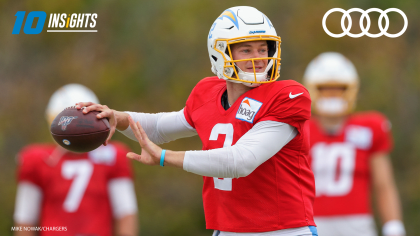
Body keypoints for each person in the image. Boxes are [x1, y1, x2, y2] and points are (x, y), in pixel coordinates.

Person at [77, 6, 317, 236]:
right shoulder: (207, 92)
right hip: (227, 230)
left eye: (263, 49)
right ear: (220, 52)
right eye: (246, 50)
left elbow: (241, 160)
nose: (258, 59)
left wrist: (163, 157)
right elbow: (159, 128)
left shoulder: (287, 95)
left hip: (285, 230)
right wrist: (117, 118)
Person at [14, 84, 139, 236]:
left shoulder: (113, 156)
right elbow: (25, 219)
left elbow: (125, 213)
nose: (73, 129)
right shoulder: (36, 159)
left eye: (80, 123)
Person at [303, 52, 406, 236]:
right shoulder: (298, 129)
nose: (332, 94)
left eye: (339, 88)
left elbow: (384, 185)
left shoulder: (370, 127)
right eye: (325, 88)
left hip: (357, 226)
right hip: (309, 223)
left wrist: (393, 226)